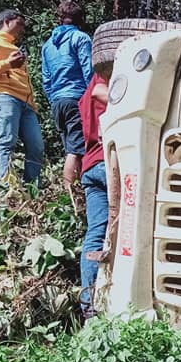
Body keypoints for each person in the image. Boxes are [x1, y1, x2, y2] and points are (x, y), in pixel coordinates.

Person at [0, 9, 44, 188]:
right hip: (5, 96)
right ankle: (7, 188)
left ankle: (32, 189)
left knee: (36, 147)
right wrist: (8, 64)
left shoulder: (15, 48)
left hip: (26, 104)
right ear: (6, 21)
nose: (22, 29)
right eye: (19, 24)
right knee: (7, 141)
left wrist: (33, 104)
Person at [41, 0, 93, 206]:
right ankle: (71, 197)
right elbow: (88, 70)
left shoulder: (47, 45)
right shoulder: (80, 38)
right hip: (76, 99)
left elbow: (46, 79)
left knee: (70, 148)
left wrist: (53, 98)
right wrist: (91, 99)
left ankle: (73, 195)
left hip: (57, 101)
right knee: (76, 150)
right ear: (81, 19)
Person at [77, 67, 110, 319]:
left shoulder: (86, 91)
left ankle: (89, 307)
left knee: (95, 234)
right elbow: (104, 93)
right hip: (110, 163)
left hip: (90, 166)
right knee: (127, 231)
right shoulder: (108, 84)